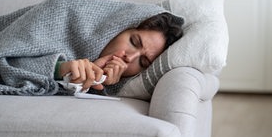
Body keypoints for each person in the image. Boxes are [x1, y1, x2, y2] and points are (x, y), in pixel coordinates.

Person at [55, 12, 184, 92]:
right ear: (122, 27)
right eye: (134, 42)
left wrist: (96, 83)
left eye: (143, 62)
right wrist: (59, 68)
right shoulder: (64, 15)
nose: (130, 57)